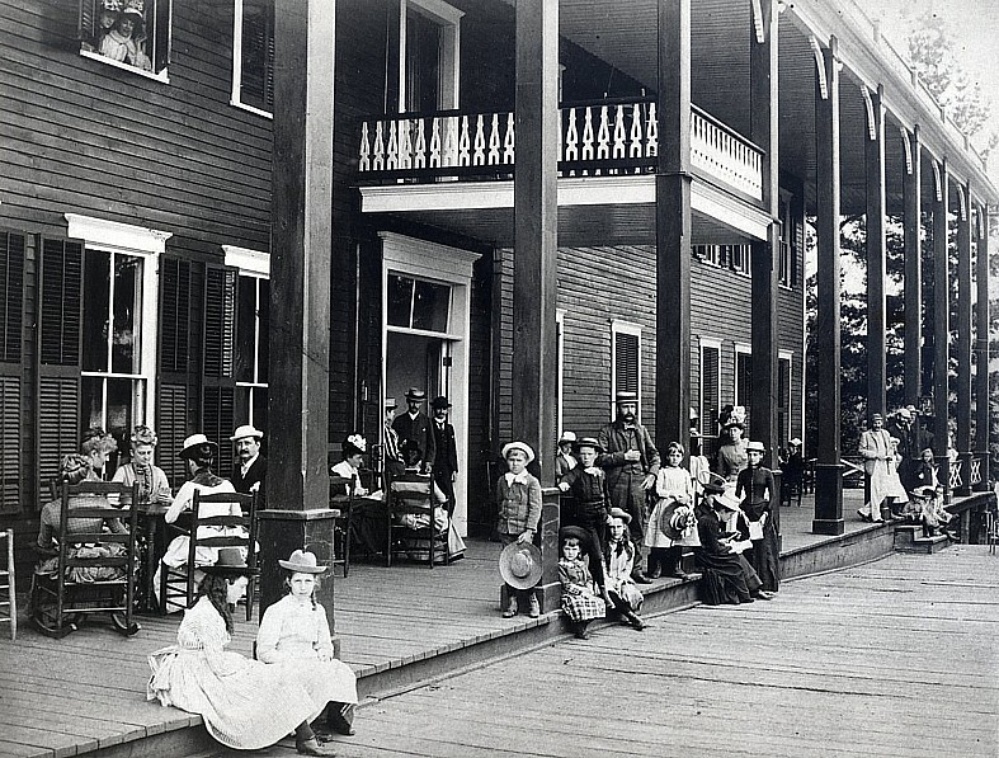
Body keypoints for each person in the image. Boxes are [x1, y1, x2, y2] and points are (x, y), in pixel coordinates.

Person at [147, 549, 339, 756]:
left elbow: (215, 658)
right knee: (262, 679)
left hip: (206, 664)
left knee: (270, 677)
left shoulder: (212, 605)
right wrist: (243, 666)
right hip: (195, 674)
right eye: (241, 586)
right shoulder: (208, 615)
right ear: (227, 583)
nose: (242, 593)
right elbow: (218, 665)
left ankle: (299, 735)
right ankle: (303, 737)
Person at [256, 550, 359, 740]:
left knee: (341, 671)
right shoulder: (277, 610)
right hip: (284, 662)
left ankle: (335, 717)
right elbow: (264, 651)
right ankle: (300, 726)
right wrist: (291, 660)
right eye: (298, 581)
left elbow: (324, 642)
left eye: (308, 582)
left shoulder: (317, 610)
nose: (303, 587)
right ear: (288, 582)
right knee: (310, 676)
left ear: (315, 583)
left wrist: (324, 653)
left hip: (310, 659)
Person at [33, 454, 135, 634]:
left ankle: (57, 612)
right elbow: (123, 535)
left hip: (71, 569)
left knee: (44, 566)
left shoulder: (51, 509)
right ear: (87, 477)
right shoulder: (102, 503)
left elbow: (43, 544)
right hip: (100, 566)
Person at [156, 434, 241, 610]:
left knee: (170, 557)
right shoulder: (227, 485)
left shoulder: (190, 487)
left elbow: (169, 518)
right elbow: (236, 518)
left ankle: (199, 592)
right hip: (223, 542)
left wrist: (181, 503)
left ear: (192, 463)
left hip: (201, 545)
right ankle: (213, 589)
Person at [597, 390, 660, 583]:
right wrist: (622, 457)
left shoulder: (641, 431)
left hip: (639, 484)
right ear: (618, 408)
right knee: (614, 525)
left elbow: (654, 455)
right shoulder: (607, 432)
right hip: (616, 484)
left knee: (638, 526)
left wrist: (652, 474)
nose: (629, 411)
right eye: (625, 406)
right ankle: (611, 567)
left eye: (632, 406)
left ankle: (636, 569)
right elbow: (599, 457)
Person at [693, 476, 774, 605]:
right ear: (705, 496)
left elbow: (713, 535)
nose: (714, 502)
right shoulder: (700, 513)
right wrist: (731, 547)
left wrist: (729, 535)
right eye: (713, 498)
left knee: (738, 557)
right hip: (705, 553)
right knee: (736, 558)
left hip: (710, 548)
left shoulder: (712, 515)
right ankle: (751, 590)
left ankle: (752, 590)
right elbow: (709, 540)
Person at [391, 440, 465, 563]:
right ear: (420, 462)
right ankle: (452, 551)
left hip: (405, 519)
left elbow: (385, 499)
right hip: (426, 518)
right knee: (445, 518)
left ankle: (420, 553)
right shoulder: (427, 480)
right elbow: (442, 499)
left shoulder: (395, 481)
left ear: (403, 461)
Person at [495, 441, 542, 618]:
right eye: (512, 459)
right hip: (506, 529)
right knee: (508, 566)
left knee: (524, 564)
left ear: (526, 462)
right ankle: (512, 600)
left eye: (518, 460)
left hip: (523, 531)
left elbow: (535, 507)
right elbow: (500, 500)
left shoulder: (531, 482)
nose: (514, 463)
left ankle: (532, 599)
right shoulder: (503, 480)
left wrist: (530, 530)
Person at [646, 442, 699, 580]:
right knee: (662, 536)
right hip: (666, 505)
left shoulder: (684, 473)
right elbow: (659, 490)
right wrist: (673, 495)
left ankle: (676, 566)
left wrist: (686, 499)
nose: (675, 458)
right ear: (668, 457)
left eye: (678, 455)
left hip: (680, 508)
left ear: (682, 457)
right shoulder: (663, 472)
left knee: (678, 536)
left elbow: (690, 491)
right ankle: (657, 567)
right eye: (672, 455)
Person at [735, 441, 779, 593]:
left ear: (761, 456)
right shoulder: (743, 474)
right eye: (750, 454)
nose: (752, 458)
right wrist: (741, 512)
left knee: (764, 548)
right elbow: (737, 496)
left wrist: (766, 514)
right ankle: (751, 585)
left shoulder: (767, 473)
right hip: (746, 512)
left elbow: (773, 497)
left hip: (762, 514)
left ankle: (766, 584)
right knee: (748, 548)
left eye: (755, 454)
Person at [557, 436, 611, 560]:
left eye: (589, 454)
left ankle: (599, 578)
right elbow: (569, 477)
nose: (586, 457)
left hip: (601, 515)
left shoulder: (600, 473)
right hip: (586, 516)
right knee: (596, 552)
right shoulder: (577, 472)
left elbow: (606, 495)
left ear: (596, 454)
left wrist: (608, 513)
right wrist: (564, 483)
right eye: (583, 454)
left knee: (602, 548)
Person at [603, 508, 647, 630]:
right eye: (612, 527)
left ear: (624, 528)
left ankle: (633, 612)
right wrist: (610, 581)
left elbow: (627, 568)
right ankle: (631, 616)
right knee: (609, 591)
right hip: (605, 579)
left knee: (630, 592)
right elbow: (601, 568)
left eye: (619, 527)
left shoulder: (629, 546)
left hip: (619, 578)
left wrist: (621, 580)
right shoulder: (604, 546)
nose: (615, 531)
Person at [111, 425, 172, 507]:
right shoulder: (123, 471)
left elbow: (168, 498)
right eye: (141, 453)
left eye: (149, 453)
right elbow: (111, 499)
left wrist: (166, 499)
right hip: (128, 517)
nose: (146, 457)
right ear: (132, 453)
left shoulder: (159, 473)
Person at [558, 534, 605, 640]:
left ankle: (582, 625)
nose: (570, 553)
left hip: (583, 591)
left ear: (579, 550)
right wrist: (580, 591)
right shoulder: (562, 565)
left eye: (574, 549)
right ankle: (579, 627)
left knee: (598, 602)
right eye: (567, 549)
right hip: (570, 593)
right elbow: (566, 584)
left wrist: (589, 588)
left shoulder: (581, 564)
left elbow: (588, 578)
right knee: (578, 603)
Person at [858, 413, 894, 523]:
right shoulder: (866, 435)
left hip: (885, 464)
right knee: (875, 489)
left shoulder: (886, 434)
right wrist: (875, 454)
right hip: (874, 463)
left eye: (879, 422)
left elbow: (890, 447)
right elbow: (861, 450)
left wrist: (889, 455)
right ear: (872, 423)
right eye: (875, 423)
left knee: (885, 489)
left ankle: (865, 510)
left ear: (882, 423)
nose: (877, 425)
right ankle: (876, 516)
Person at [392, 387, 436, 475]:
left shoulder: (426, 421)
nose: (414, 405)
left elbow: (431, 444)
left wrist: (428, 462)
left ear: (421, 404)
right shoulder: (399, 421)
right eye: (412, 402)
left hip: (421, 464)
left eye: (417, 402)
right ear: (408, 401)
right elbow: (393, 443)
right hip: (403, 464)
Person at [99, 6, 153, 71]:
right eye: (125, 23)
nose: (127, 27)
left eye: (131, 25)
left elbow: (139, 69)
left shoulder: (133, 45)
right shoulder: (107, 39)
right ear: (119, 23)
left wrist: (138, 46)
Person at [430, 395, 459, 513]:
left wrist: (454, 469)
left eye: (444, 409)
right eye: (438, 408)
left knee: (450, 500)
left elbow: (452, 450)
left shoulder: (449, 428)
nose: (441, 412)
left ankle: (446, 526)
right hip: (433, 468)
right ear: (434, 410)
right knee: (434, 498)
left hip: (446, 469)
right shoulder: (429, 426)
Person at [229, 425, 266, 501]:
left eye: (247, 443)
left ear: (257, 445)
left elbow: (263, 501)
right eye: (239, 444)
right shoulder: (237, 467)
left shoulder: (265, 466)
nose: (243, 448)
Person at [714, 407, 748, 481]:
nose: (732, 433)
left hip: (747, 480)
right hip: (731, 480)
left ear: (741, 431)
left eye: (735, 430)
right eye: (730, 431)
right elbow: (720, 470)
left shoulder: (747, 445)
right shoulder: (723, 449)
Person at [382, 397, 405, 484]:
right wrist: (402, 459)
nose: (394, 414)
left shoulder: (388, 429)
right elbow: (391, 453)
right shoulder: (386, 431)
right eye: (392, 411)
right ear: (387, 412)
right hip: (393, 465)